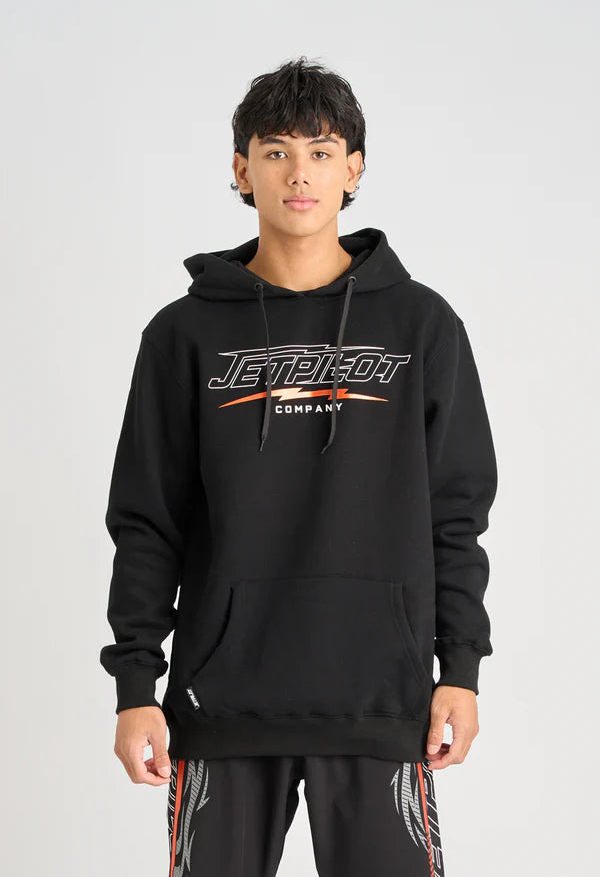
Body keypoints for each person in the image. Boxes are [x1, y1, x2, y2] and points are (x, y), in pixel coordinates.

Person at [100, 56, 497, 877]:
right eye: (275, 151)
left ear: (354, 169)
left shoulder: (422, 326)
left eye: (321, 151)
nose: (299, 173)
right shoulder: (183, 335)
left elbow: (456, 512)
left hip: (380, 699)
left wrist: (460, 668)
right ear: (241, 169)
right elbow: (147, 520)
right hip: (222, 704)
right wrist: (136, 684)